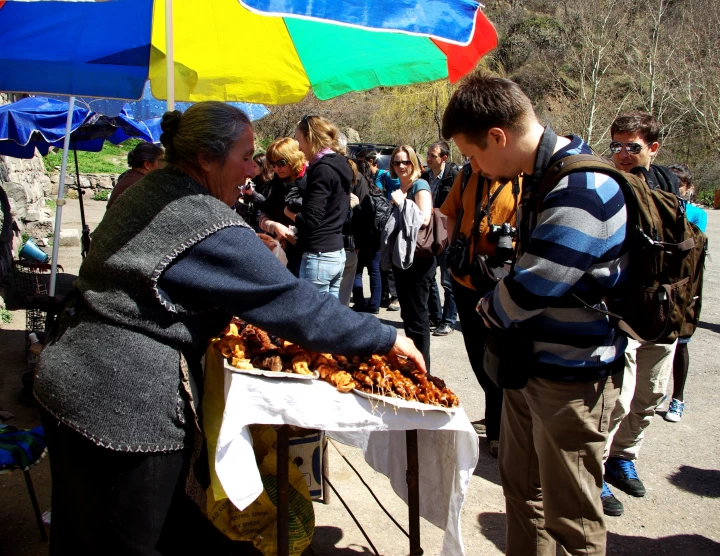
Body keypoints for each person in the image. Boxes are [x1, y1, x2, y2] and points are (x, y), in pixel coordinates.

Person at [34, 102, 424, 556]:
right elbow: (295, 305)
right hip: (121, 399)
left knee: (82, 530)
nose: (253, 169)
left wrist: (243, 256)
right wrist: (384, 335)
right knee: (131, 540)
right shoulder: (198, 215)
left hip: (72, 374)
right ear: (205, 158)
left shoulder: (155, 187)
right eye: (245, 156)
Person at [442, 74, 628, 555]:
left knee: (571, 518)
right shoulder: (542, 177)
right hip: (529, 369)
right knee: (524, 497)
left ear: (498, 137)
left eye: (474, 154)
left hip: (571, 379)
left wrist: (489, 303)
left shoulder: (584, 184)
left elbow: (537, 281)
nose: (475, 167)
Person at [601, 112, 679, 517]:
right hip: (622, 309)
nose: (623, 154)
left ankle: (623, 457)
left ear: (653, 148)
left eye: (632, 146)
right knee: (617, 398)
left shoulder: (667, 183)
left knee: (650, 395)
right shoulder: (606, 185)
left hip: (663, 308)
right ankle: (594, 472)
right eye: (616, 146)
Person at [439, 163, 520, 457]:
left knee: (499, 353)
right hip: (465, 278)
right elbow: (448, 211)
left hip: (501, 280)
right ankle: (495, 411)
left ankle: (498, 427)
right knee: (477, 354)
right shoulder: (467, 175)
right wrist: (451, 241)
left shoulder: (521, 177)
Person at [288, 115, 351, 298]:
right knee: (329, 320)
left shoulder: (322, 169)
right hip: (336, 254)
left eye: (299, 141)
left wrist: (289, 214)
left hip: (319, 256)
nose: (299, 147)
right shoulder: (340, 164)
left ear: (310, 138)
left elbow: (310, 220)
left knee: (313, 320)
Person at [385, 145, 436, 371]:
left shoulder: (420, 185)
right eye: (397, 162)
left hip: (419, 260)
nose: (401, 166)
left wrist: (401, 202)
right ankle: (415, 363)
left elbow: (424, 219)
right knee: (409, 315)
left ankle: (422, 369)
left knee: (417, 317)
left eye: (406, 162)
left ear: (414, 163)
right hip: (404, 260)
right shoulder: (402, 187)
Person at [664, 163, 707, 423]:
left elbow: (693, 246)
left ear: (688, 188)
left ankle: (677, 397)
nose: (676, 188)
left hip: (688, 283)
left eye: (680, 183)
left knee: (681, 343)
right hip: (663, 285)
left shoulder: (695, 214)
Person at [254, 137, 307, 277]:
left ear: (293, 158)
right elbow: (262, 218)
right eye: (272, 164)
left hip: (308, 254)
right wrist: (276, 227)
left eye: (281, 163)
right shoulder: (275, 185)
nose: (276, 168)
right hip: (282, 254)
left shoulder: (311, 179)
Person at [422, 140, 459, 336]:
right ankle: (435, 316)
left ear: (444, 158)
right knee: (428, 278)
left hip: (447, 234)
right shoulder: (425, 177)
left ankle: (449, 320)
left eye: (432, 155)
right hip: (429, 234)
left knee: (447, 280)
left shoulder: (454, 177)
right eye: (427, 154)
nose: (428, 158)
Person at [357, 148, 400, 311]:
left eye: (361, 160)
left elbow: (400, 188)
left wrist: (390, 204)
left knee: (384, 264)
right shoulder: (370, 177)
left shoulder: (385, 175)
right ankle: (383, 296)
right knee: (378, 265)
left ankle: (395, 297)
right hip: (374, 223)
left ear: (369, 161)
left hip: (385, 220)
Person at [352, 159, 386, 314]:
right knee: (375, 271)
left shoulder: (357, 188)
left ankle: (359, 302)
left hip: (362, 236)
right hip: (376, 237)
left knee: (357, 271)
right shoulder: (377, 189)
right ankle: (374, 305)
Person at [106, 142, 164, 209]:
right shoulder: (142, 184)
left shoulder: (130, 177)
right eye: (161, 162)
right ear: (147, 165)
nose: (162, 167)